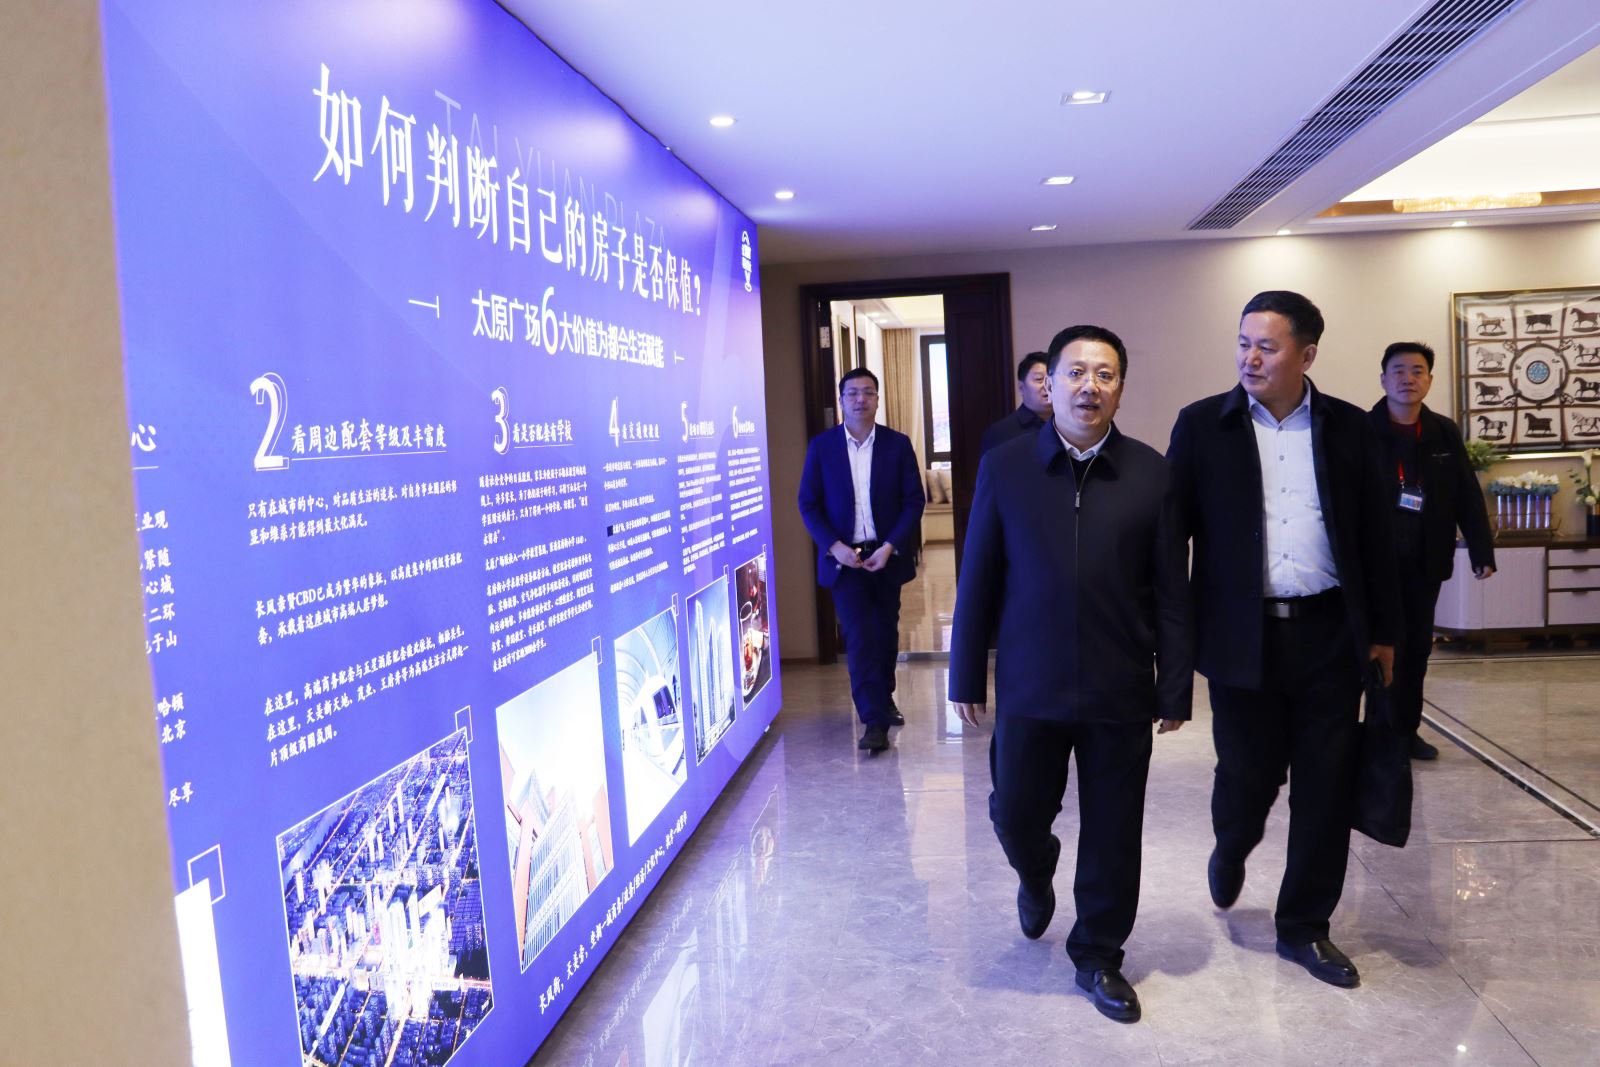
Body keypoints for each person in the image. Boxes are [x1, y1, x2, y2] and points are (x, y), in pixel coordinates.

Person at [949, 325, 1193, 1024]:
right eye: (1076, 372)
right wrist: (965, 671)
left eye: (1105, 374)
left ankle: (1099, 954)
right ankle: (1035, 871)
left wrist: (1174, 684)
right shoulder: (1005, 467)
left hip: (1120, 684)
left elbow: (1171, 589)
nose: (1090, 386)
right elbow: (979, 574)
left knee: (1114, 827)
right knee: (1015, 811)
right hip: (1032, 681)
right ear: (1048, 384)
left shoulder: (1150, 472)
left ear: (1121, 388)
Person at [1166, 291, 1399, 989]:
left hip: (1330, 635)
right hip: (1242, 637)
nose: (1250, 357)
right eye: (1243, 343)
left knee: (1325, 788)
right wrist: (1170, 636)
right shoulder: (1202, 426)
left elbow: (1378, 537)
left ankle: (1304, 927)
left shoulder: (1350, 427)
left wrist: (1384, 633)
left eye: (1266, 346)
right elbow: (1171, 536)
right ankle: (1232, 842)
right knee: (1247, 776)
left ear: (1307, 354)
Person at [1369, 341, 1495, 760]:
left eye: (1417, 371)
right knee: (1380, 647)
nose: (1408, 379)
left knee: (1417, 650)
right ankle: (1378, 735)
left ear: (1429, 380)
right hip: (1376, 564)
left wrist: (1480, 549)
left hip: (1426, 560)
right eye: (1399, 370)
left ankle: (1406, 731)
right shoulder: (1362, 431)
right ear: (1383, 378)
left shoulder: (1443, 431)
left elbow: (1466, 492)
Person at [798, 367, 924, 753]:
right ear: (841, 400)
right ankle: (873, 720)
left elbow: (913, 501)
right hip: (845, 560)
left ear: (877, 399)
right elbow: (808, 503)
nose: (860, 399)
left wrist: (890, 546)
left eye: (868, 392)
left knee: (885, 633)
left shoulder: (897, 445)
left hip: (886, 555)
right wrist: (833, 545)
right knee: (858, 635)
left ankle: (883, 697)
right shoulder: (822, 447)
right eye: (852, 393)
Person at [978, 351, 1052, 455]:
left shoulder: (1069, 427)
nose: (1048, 385)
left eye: (1052, 379)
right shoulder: (999, 433)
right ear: (1021, 387)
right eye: (1039, 379)